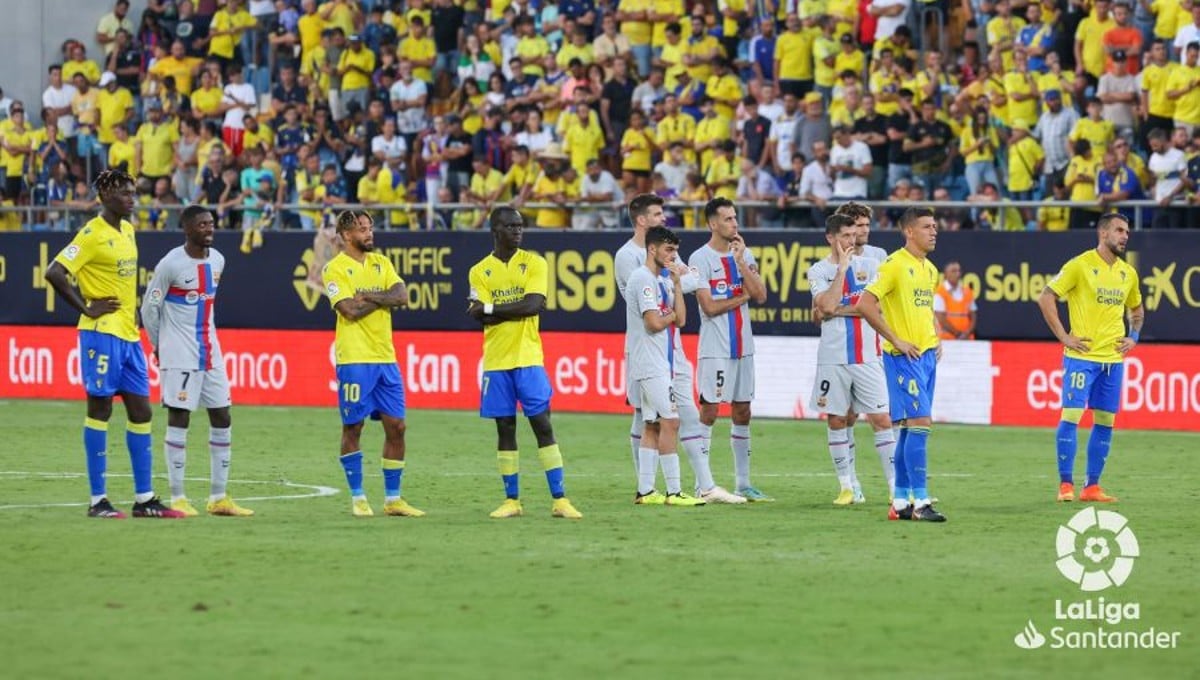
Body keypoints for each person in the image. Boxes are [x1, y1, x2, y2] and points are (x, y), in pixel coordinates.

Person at [43, 169, 185, 519]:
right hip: (101, 332)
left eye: (133, 192)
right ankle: (97, 500)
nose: (131, 198)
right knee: (100, 409)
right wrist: (86, 307)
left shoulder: (128, 230)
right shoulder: (92, 233)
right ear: (104, 194)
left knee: (142, 411)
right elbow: (54, 272)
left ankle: (145, 498)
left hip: (127, 334)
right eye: (124, 192)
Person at [615, 194, 744, 503]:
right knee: (649, 418)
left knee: (678, 414)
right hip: (646, 349)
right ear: (643, 220)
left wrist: (675, 283)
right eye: (658, 214)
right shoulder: (628, 259)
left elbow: (693, 280)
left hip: (673, 350)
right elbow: (648, 306)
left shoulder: (664, 255)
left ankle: (702, 485)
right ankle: (653, 486)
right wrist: (675, 285)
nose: (664, 218)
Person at [466, 207, 583, 520]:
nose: (518, 231)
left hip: (529, 357)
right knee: (505, 428)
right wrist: (498, 310)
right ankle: (511, 500)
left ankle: (560, 499)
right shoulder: (479, 271)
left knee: (542, 425)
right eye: (511, 226)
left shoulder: (534, 263)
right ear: (495, 230)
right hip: (495, 360)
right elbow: (477, 315)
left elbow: (533, 306)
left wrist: (491, 307)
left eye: (520, 226)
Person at [140, 206, 252, 517]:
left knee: (222, 415)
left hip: (211, 350)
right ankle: (177, 497)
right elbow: (149, 309)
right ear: (187, 229)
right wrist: (160, 345)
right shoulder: (171, 264)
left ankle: (218, 497)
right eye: (202, 224)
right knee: (180, 417)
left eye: (211, 224)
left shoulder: (218, 260)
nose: (209, 229)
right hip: (179, 353)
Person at [321, 210, 424, 518]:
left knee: (398, 426)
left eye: (370, 228)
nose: (369, 233)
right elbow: (349, 311)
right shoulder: (334, 269)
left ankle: (393, 499)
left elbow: (402, 295)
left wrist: (368, 296)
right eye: (362, 229)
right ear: (346, 235)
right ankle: (358, 497)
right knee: (353, 425)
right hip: (354, 358)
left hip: (385, 358)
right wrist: (381, 298)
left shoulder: (383, 263)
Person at [1037, 213, 1143, 503]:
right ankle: (1066, 485)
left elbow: (1137, 309)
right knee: (1071, 416)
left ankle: (1092, 487)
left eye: (1127, 232)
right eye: (1119, 230)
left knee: (1106, 421)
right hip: (1081, 357)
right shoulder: (1080, 265)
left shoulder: (1128, 273)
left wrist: (1134, 337)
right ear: (1103, 233)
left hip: (1113, 360)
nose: (1125, 236)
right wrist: (1064, 336)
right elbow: (1046, 297)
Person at [855, 207, 947, 522]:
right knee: (920, 423)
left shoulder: (930, 270)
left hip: (926, 357)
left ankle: (900, 503)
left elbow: (925, 308)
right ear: (909, 231)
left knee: (910, 428)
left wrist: (936, 336)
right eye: (926, 226)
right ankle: (921, 502)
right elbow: (865, 304)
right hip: (902, 358)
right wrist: (896, 340)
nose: (934, 231)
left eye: (935, 226)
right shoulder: (893, 266)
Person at [808, 213, 896, 506]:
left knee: (882, 419)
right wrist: (842, 272)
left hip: (868, 356)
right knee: (837, 419)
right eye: (845, 235)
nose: (851, 240)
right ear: (831, 238)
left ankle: (896, 489)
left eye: (853, 235)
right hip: (833, 358)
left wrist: (838, 309)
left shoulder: (871, 266)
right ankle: (847, 486)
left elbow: (874, 309)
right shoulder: (818, 270)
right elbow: (826, 306)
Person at [688, 197, 771, 501]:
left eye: (735, 219)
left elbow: (760, 293)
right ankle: (703, 484)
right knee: (710, 411)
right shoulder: (699, 258)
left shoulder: (743, 253)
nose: (734, 224)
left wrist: (739, 263)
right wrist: (742, 297)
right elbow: (709, 307)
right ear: (712, 224)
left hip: (743, 347)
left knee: (743, 411)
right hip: (715, 348)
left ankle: (743, 483)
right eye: (727, 219)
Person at [624, 226, 707, 506]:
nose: (674, 256)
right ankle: (674, 491)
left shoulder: (664, 280)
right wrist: (669, 314)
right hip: (649, 362)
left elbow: (681, 320)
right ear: (652, 249)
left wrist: (678, 286)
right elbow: (653, 322)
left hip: (663, 360)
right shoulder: (642, 279)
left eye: (675, 250)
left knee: (653, 425)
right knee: (671, 421)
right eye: (669, 250)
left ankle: (645, 491)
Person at [934, 261, 978, 340]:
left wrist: (967, 333)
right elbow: (940, 318)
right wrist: (958, 334)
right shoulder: (940, 292)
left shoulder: (967, 291)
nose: (958, 274)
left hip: (967, 339)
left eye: (959, 271)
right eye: (954, 271)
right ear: (946, 274)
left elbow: (973, 316)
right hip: (947, 339)